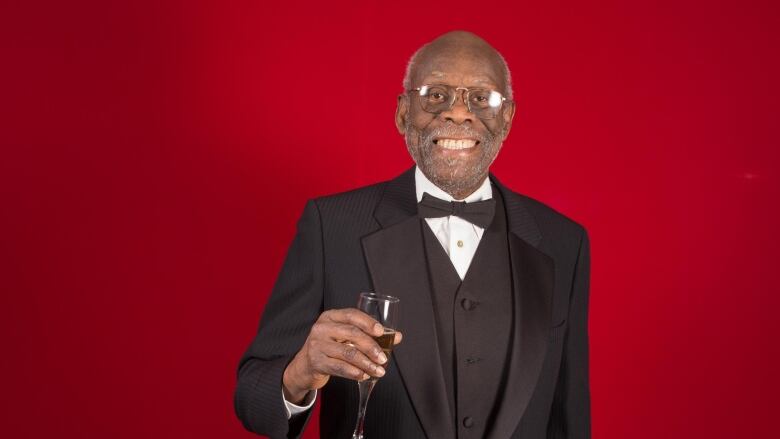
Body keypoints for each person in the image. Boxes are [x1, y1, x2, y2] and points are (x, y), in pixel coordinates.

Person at [234, 30, 591, 439]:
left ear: (507, 118)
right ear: (404, 113)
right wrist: (301, 370)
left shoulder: (564, 242)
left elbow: (569, 414)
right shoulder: (331, 226)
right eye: (435, 95)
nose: (459, 113)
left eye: (481, 98)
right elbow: (253, 400)